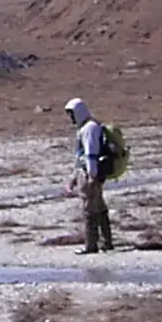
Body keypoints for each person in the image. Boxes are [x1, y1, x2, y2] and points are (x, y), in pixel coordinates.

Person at [63, 97, 115, 254]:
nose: (71, 118)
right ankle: (106, 242)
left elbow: (90, 154)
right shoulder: (90, 126)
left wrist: (92, 176)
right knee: (99, 207)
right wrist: (73, 179)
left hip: (89, 175)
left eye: (71, 114)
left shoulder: (89, 129)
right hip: (90, 173)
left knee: (89, 210)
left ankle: (91, 245)